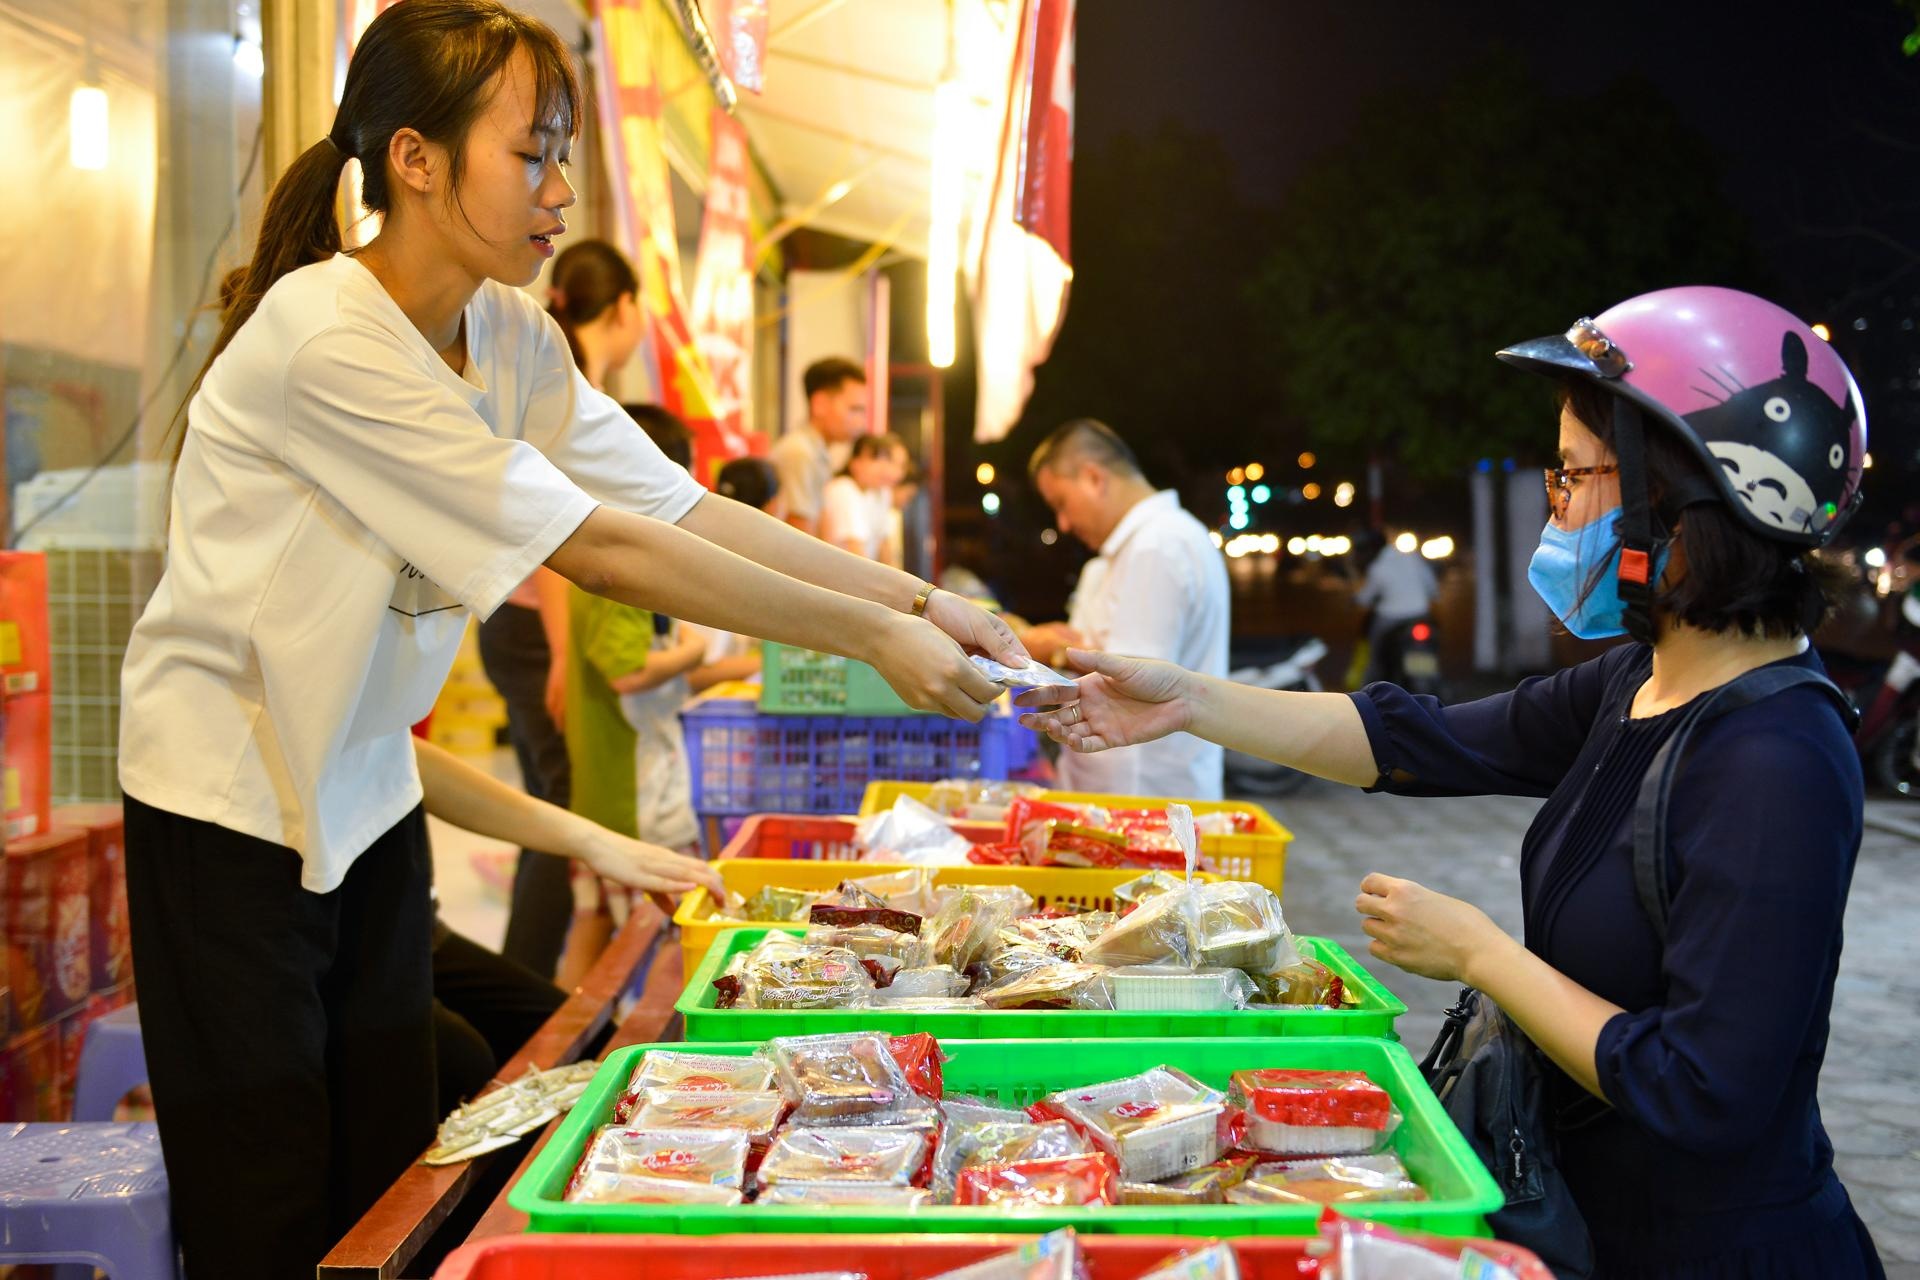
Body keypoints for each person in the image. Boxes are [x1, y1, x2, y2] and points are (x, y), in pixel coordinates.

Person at [117, 5, 1020, 1274]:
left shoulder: (512, 334)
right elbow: (600, 549)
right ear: (415, 159)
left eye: (564, 155)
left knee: (393, 1172)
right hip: (224, 813)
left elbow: (682, 507)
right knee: (266, 1203)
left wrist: (920, 603)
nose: (559, 189)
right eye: (529, 154)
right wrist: (873, 634)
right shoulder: (327, 337)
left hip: (366, 798)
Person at [1020, 288, 1883, 1279]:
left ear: (1678, 497)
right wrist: (1187, 701)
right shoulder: (1635, 681)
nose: (1558, 508)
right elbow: (1411, 738)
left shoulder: (1777, 759)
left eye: (1573, 475)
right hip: (1594, 1222)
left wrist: (1480, 952)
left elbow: (1707, 1088)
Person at [482, 237, 646, 977]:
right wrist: (559, 655)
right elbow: (553, 532)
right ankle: (526, 986)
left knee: (551, 803)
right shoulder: (566, 375)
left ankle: (526, 981)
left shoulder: (574, 374)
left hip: (530, 622)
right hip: (537, 624)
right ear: (624, 306)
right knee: (563, 808)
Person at [1021, 418, 1230, 799]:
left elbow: (1136, 678)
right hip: (1118, 791)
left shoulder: (1158, 546)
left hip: (1145, 794)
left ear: (1093, 478)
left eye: (1061, 504)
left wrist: (1050, 650)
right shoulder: (1134, 550)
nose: (1063, 523)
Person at [771, 356, 866, 536]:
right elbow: (800, 538)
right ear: (819, 404)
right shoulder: (800, 452)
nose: (861, 421)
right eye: (854, 409)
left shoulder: (815, 452)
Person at [1355, 529, 1440, 683]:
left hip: (1389, 618)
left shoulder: (1378, 567)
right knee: (1430, 650)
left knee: (1375, 654)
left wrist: (1356, 600)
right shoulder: (1411, 557)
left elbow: (1365, 597)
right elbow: (1431, 585)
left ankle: (1370, 687)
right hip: (1420, 615)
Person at [821, 432, 909, 562]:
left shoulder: (881, 493)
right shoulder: (842, 489)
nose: (894, 472)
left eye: (901, 466)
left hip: (861, 569)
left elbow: (884, 543)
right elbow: (855, 549)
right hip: (840, 569)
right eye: (876, 459)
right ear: (854, 462)